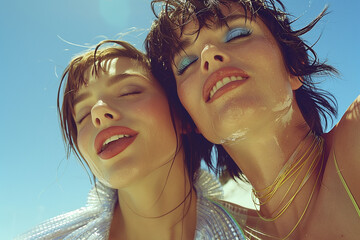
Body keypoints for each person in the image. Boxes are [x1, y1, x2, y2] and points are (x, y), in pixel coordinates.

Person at [145, 0, 360, 239]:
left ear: (294, 68)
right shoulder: (214, 232)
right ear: (190, 120)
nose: (209, 55)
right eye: (186, 63)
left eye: (237, 34)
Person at [16, 40, 247, 240]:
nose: (98, 112)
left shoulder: (259, 232)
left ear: (183, 116)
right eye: (83, 115)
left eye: (129, 92)